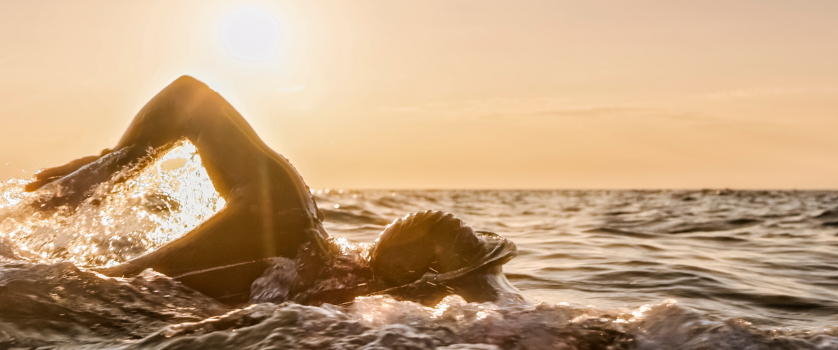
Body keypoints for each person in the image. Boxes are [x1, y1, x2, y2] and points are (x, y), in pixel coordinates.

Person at [25, 76, 521, 306]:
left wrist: (114, 164)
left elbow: (189, 99)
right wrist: (109, 169)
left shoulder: (288, 231)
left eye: (440, 234)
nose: (441, 219)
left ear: (419, 280)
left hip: (57, 301)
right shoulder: (291, 225)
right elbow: (189, 97)